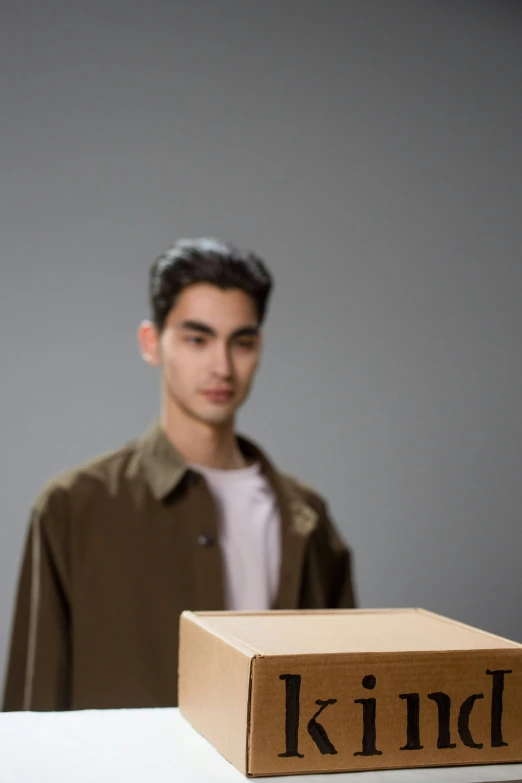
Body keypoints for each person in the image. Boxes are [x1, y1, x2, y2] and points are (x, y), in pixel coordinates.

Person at [3, 238, 356, 712]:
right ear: (152, 343)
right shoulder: (72, 507)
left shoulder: (306, 517)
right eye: (197, 338)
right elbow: (30, 714)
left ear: (260, 348)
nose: (222, 366)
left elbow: (351, 705)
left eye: (242, 342)